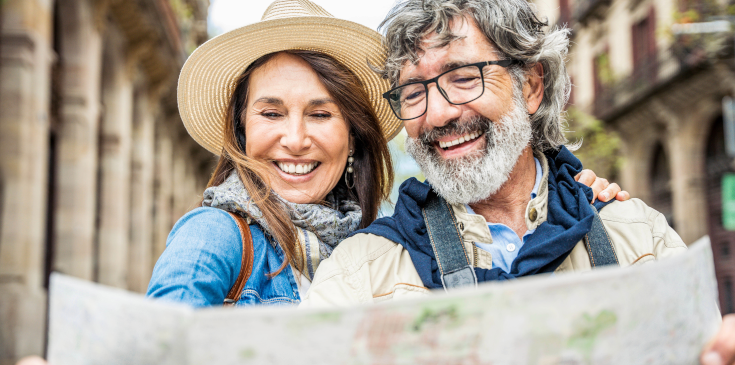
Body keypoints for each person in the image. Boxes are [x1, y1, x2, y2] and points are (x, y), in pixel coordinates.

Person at [298, 0, 735, 364]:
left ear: (531, 86)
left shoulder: (640, 238)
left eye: (464, 78)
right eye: (413, 93)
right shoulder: (360, 274)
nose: (436, 115)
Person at [144, 0, 622, 308]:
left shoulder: (372, 242)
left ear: (352, 135)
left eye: (320, 114)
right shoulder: (213, 234)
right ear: (241, 129)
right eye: (270, 114)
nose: (294, 139)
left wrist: (579, 198)